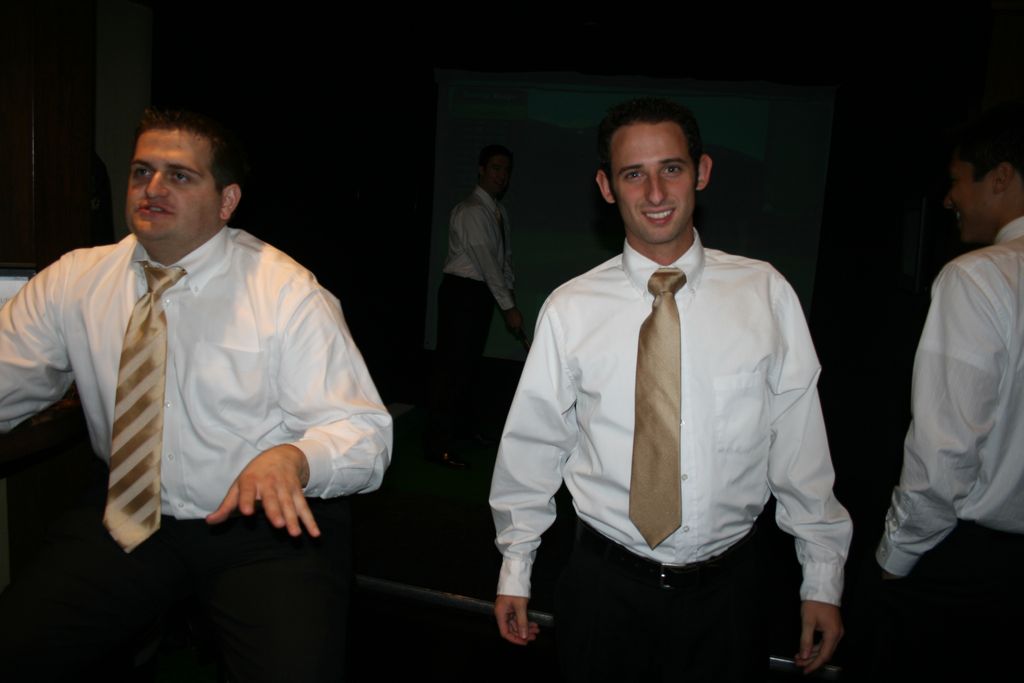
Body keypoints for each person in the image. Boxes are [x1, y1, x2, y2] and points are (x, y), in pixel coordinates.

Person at [0, 108, 393, 682]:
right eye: (142, 171)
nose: (153, 188)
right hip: (130, 515)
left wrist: (294, 458)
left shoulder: (287, 292)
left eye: (179, 175)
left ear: (227, 201)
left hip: (262, 527)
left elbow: (364, 433)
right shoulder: (75, 280)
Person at [489, 97, 851, 680]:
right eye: (634, 174)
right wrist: (516, 568)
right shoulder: (570, 309)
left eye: (671, 168)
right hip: (604, 591)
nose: (655, 192)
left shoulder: (765, 295)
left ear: (701, 172)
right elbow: (533, 446)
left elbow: (800, 448)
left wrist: (822, 580)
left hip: (730, 597)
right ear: (607, 187)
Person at [873, 102, 1024, 677]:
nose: (947, 198)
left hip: (972, 572)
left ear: (1001, 177)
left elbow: (945, 452)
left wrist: (895, 558)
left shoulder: (979, 276)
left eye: (958, 180)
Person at [425, 145, 523, 469]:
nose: (501, 175)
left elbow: (503, 259)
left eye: (506, 170)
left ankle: (462, 430)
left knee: (468, 366)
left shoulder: (498, 210)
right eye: (495, 168)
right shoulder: (471, 210)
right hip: (462, 293)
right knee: (451, 369)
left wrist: (508, 292)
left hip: (478, 294)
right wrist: (508, 307)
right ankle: (437, 445)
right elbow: (486, 263)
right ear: (481, 169)